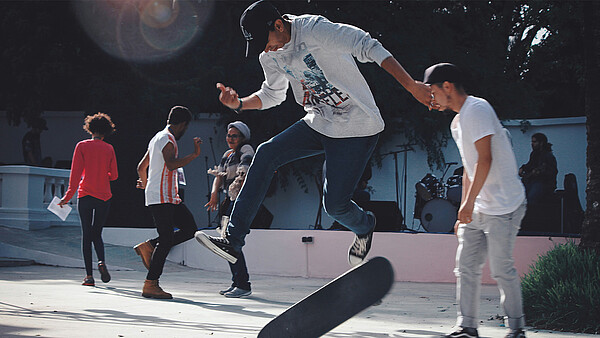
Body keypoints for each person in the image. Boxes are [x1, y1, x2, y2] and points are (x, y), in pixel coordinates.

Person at [195, 0, 432, 267]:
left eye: (268, 39)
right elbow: (272, 95)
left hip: (358, 127)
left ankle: (365, 225)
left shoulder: (315, 30)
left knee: (335, 206)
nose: (267, 47)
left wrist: (412, 86)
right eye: (261, 44)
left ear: (279, 24)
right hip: (318, 122)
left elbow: (367, 45)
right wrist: (239, 104)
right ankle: (233, 240)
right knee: (266, 153)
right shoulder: (269, 55)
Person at [425, 63, 527, 338]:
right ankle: (467, 326)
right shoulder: (457, 123)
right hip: (480, 206)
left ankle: (517, 329)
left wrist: (469, 203)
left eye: (433, 91)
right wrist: (463, 211)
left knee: (502, 268)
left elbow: (486, 158)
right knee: (466, 267)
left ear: (447, 87)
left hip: (505, 205)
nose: (431, 98)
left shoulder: (478, 109)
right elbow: (469, 166)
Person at [134, 106, 202, 299]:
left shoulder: (157, 137)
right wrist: (195, 154)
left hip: (165, 196)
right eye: (185, 128)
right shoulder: (168, 139)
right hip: (164, 197)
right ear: (182, 124)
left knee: (189, 229)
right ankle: (151, 284)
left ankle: (149, 246)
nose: (185, 131)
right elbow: (171, 164)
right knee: (166, 239)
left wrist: (147, 186)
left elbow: (141, 167)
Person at [58, 113, 118, 287]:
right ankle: (101, 261)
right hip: (104, 196)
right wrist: (103, 173)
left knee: (86, 235)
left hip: (85, 195)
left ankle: (89, 277)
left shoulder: (82, 146)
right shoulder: (109, 149)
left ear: (90, 129)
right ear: (107, 131)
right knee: (97, 233)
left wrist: (66, 197)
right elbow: (114, 176)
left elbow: (75, 175)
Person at [205, 121, 254, 298]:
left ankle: (243, 284)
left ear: (242, 137)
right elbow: (219, 176)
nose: (230, 139)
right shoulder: (227, 155)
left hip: (239, 201)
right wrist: (214, 195)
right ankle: (237, 282)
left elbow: (244, 173)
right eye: (229, 135)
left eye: (234, 136)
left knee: (232, 242)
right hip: (230, 200)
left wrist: (234, 193)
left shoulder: (246, 149)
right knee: (227, 243)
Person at [518, 132, 558, 205]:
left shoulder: (548, 156)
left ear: (541, 143)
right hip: (533, 181)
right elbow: (530, 165)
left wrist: (540, 173)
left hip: (544, 183)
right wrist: (522, 168)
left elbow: (552, 172)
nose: (532, 144)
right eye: (532, 142)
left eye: (535, 142)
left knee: (531, 198)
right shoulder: (534, 154)